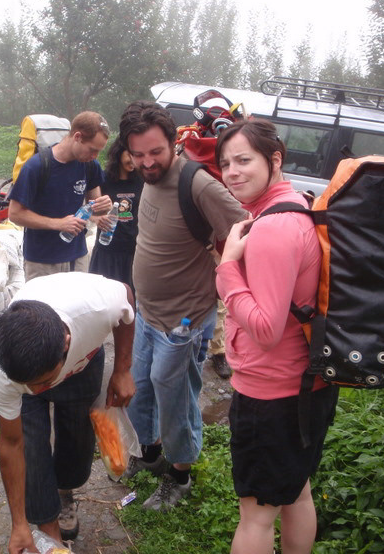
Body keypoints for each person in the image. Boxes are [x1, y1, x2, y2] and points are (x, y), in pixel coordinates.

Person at [214, 118, 337, 554]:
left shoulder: (273, 228)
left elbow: (265, 329)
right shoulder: (299, 205)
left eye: (243, 160)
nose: (232, 172)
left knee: (257, 516)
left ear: (275, 160)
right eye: (225, 163)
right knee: (297, 492)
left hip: (271, 397)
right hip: (309, 385)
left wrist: (227, 268)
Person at [119, 100, 245, 510]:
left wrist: (230, 277)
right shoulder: (148, 177)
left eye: (155, 152)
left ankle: (180, 476)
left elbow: (246, 228)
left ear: (173, 142)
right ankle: (150, 454)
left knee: (176, 400)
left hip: (183, 322)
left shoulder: (198, 184)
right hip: (147, 313)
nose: (147, 162)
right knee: (140, 390)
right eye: (138, 154)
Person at [0, 272, 135, 553]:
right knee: (31, 449)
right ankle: (49, 533)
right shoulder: (2, 371)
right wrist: (19, 524)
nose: (35, 390)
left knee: (77, 440)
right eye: (28, 384)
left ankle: (65, 492)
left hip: (83, 363)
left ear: (66, 342)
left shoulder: (99, 306)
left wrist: (123, 369)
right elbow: (12, 445)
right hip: (35, 368)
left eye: (43, 382)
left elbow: (127, 296)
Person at [9, 111, 112, 281]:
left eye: (99, 151)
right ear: (77, 137)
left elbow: (95, 209)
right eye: (92, 150)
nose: (95, 156)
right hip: (42, 260)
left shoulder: (90, 165)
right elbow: (14, 214)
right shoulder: (36, 166)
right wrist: (58, 223)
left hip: (77, 257)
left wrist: (104, 206)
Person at [88, 137, 144, 296]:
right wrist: (96, 219)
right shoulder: (103, 179)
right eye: (130, 154)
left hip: (134, 252)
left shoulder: (142, 180)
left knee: (131, 299)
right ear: (119, 153)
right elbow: (87, 208)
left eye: (137, 155)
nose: (133, 160)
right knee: (105, 298)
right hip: (107, 252)